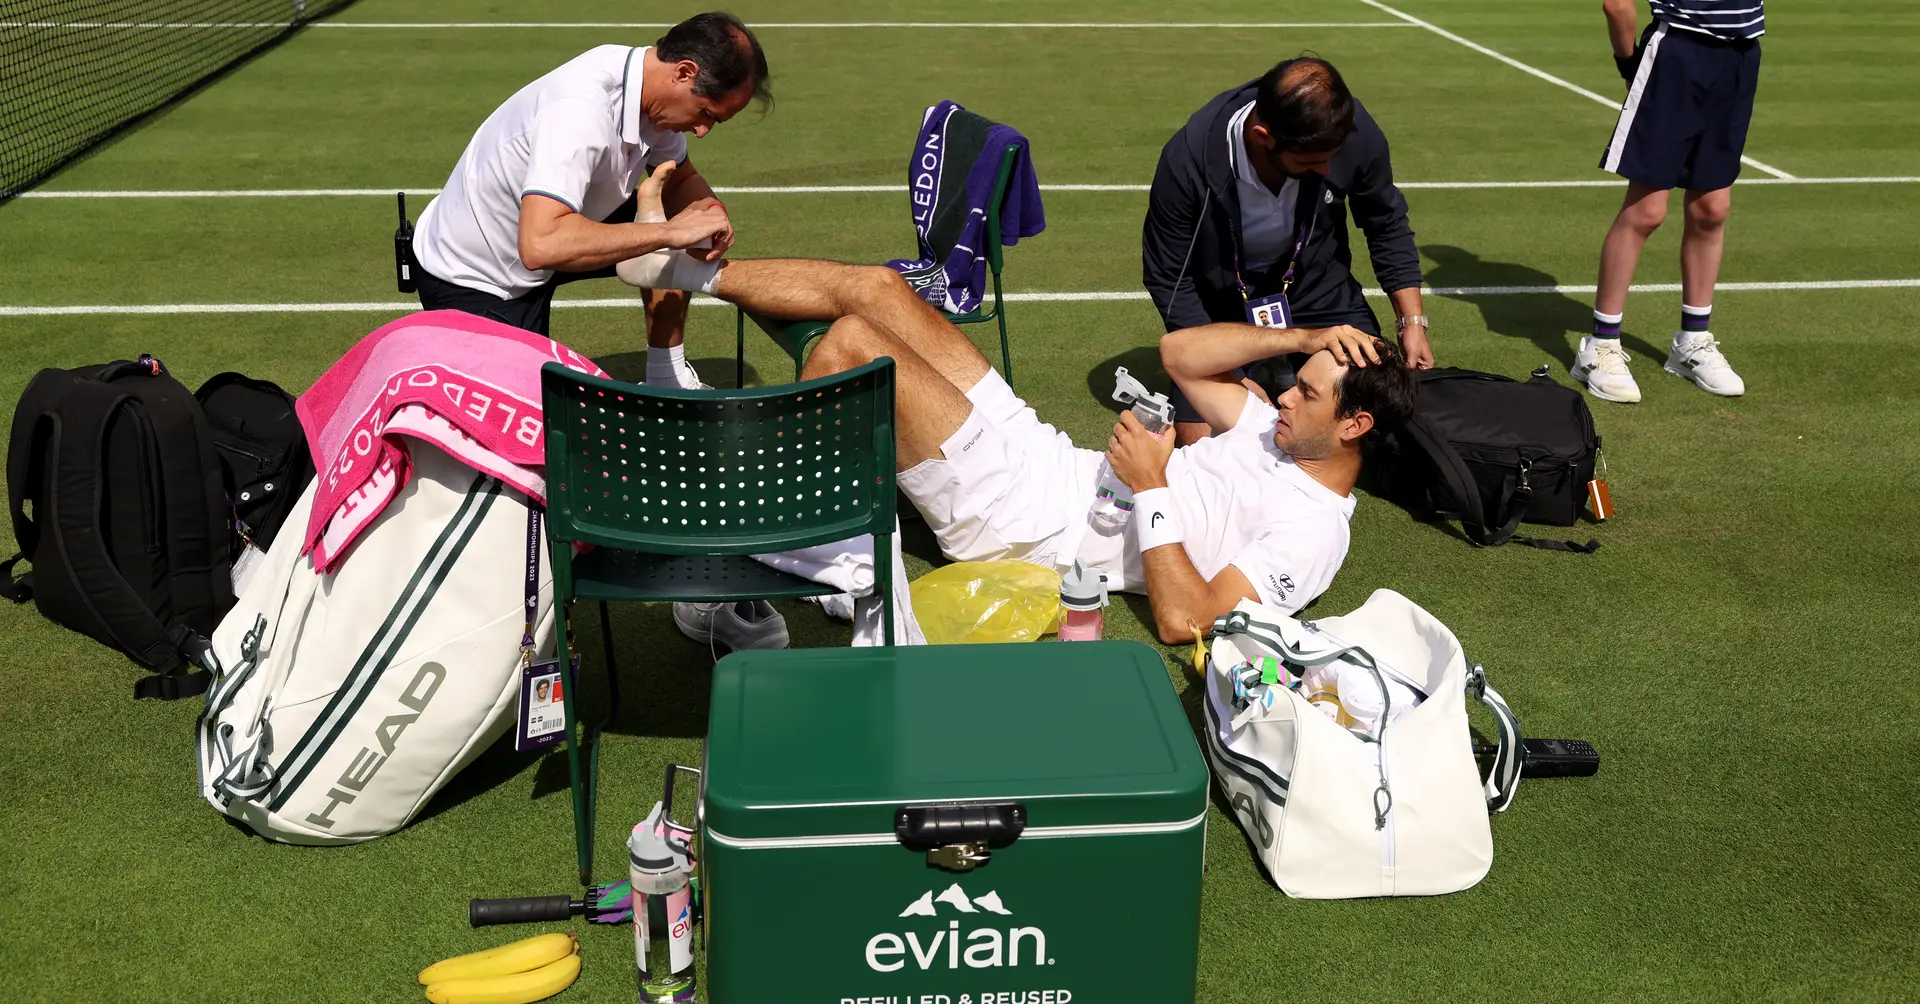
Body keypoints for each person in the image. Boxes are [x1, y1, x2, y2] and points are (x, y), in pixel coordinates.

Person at [621, 161, 1416, 645]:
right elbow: (1182, 354)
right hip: (1041, 457)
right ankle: (673, 272)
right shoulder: (1276, 434)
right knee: (878, 290)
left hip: (1024, 523)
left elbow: (1190, 618)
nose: (1286, 401)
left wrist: (1152, 486)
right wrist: (1303, 338)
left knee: (853, 347)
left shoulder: (1312, 533)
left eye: (1306, 395)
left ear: (1355, 425)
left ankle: (743, 521)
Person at [408, 12, 769, 389]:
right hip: (477, 274)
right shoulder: (580, 110)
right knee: (521, 427)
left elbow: (683, 178)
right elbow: (540, 245)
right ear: (683, 72)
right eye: (706, 113)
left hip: (546, 232)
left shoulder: (648, 91)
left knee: (677, 228)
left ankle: (667, 377)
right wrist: (666, 232)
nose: (701, 131)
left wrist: (711, 212)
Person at [1143, 56, 1431, 446]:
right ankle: (1270, 364)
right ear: (1263, 136)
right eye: (1312, 162)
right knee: (1207, 440)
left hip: (1315, 286)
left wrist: (1411, 323)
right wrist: (1233, 377)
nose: (1328, 170)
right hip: (1222, 304)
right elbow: (1168, 277)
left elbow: (1386, 222)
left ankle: (1286, 367)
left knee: (1375, 417)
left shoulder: (1349, 132)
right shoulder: (1188, 160)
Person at [1575, 0, 1762, 402]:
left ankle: (1692, 342)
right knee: (1647, 210)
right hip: (1676, 54)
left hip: (1741, 54)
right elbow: (1617, 5)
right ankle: (1600, 345)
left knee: (1712, 210)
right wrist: (1631, 67)